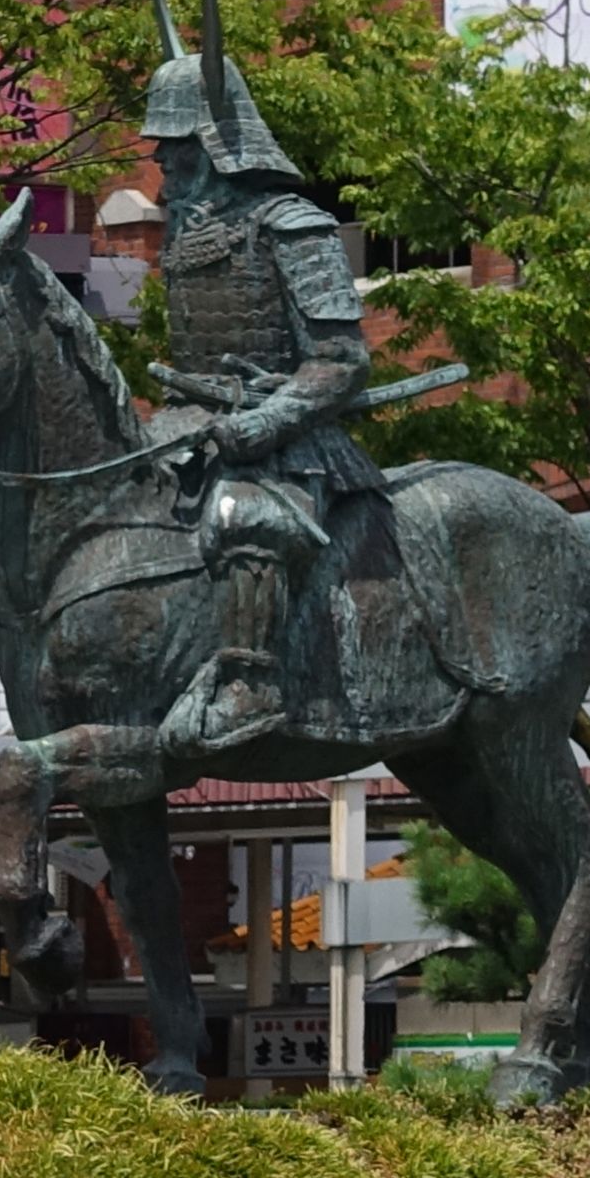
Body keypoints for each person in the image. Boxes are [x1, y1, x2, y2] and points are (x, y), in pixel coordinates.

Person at [143, 49, 383, 755]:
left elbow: (342, 360)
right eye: (161, 144)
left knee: (244, 517)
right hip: (189, 429)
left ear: (220, 146)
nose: (162, 159)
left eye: (179, 144)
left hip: (286, 444)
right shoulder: (185, 234)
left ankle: (254, 685)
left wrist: (265, 421)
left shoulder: (292, 226)